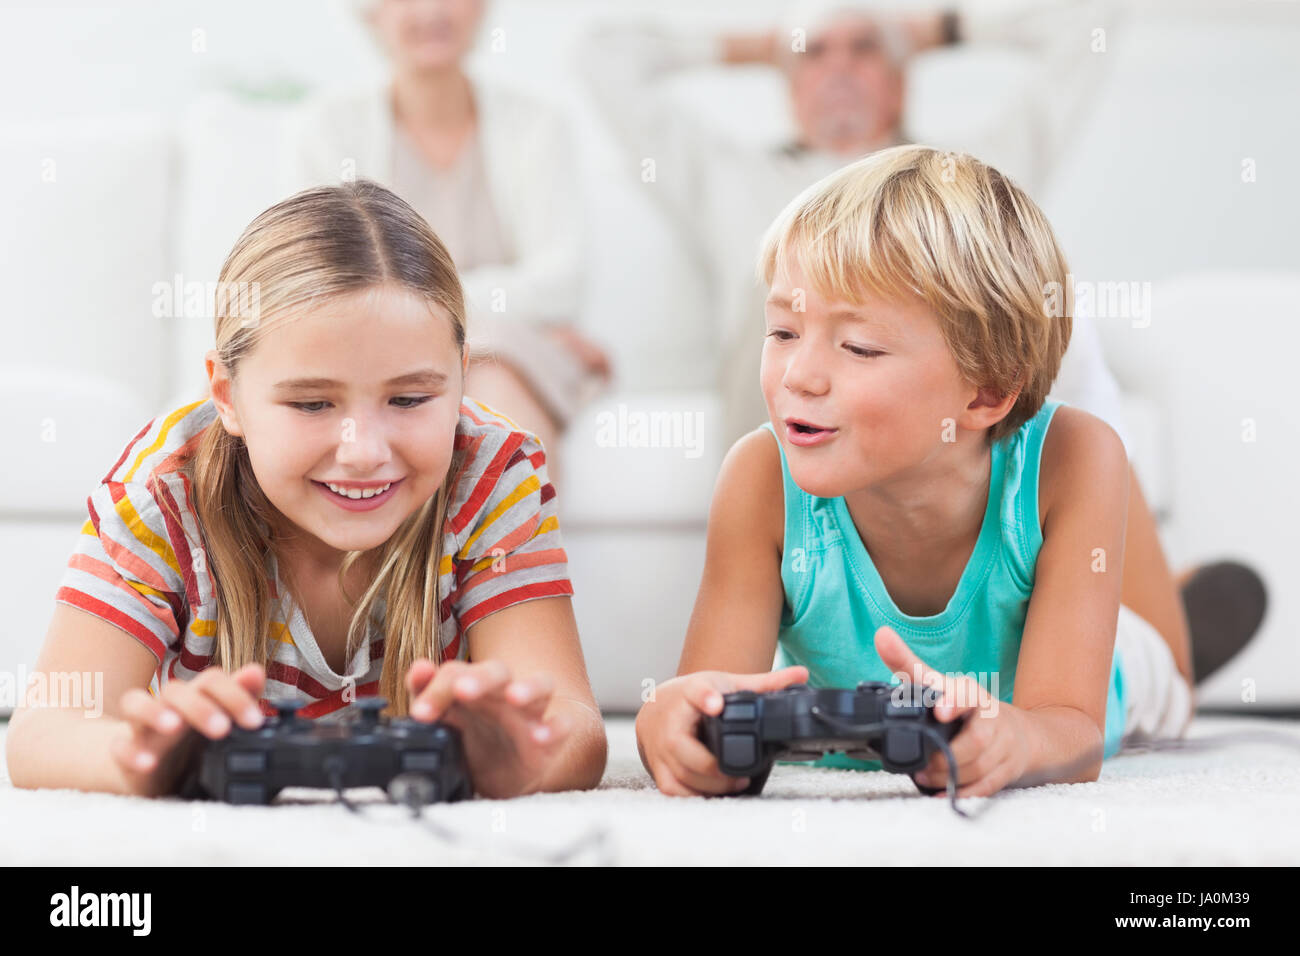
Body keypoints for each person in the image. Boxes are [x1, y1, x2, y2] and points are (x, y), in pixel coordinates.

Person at [581, 1, 1264, 696]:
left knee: (1066, 319)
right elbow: (606, 53)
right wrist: (764, 44)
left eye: (863, 52)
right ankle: (1104, 610)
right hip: (822, 473)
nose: (839, 67)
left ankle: (1137, 643)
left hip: (971, 449)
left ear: (904, 80)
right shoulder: (729, 180)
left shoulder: (968, 197)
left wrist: (932, 32)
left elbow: (1084, 25)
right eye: (815, 56)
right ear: (786, 82)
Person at [5, 180, 607, 799]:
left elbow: (575, 727)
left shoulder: (490, 473)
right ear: (226, 395)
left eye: (410, 399)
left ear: (461, 375)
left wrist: (514, 757)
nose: (365, 451)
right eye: (312, 403)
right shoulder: (164, 492)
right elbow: (42, 733)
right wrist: (138, 759)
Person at [636, 146, 1201, 798]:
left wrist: (1017, 738)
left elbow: (1070, 727)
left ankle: (1172, 619)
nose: (798, 375)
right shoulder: (760, 476)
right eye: (783, 332)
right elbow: (703, 699)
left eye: (859, 347)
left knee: (1163, 667)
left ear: (985, 393)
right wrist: (670, 722)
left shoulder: (1074, 462)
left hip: (1112, 674)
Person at [284, 0, 611, 487]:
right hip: (375, 348)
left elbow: (561, 280)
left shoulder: (538, 123)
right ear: (370, 13)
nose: (432, 10)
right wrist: (484, 316)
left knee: (492, 380)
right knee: (461, 368)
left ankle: (514, 562)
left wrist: (434, 312)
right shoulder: (328, 127)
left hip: (511, 350)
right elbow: (325, 283)